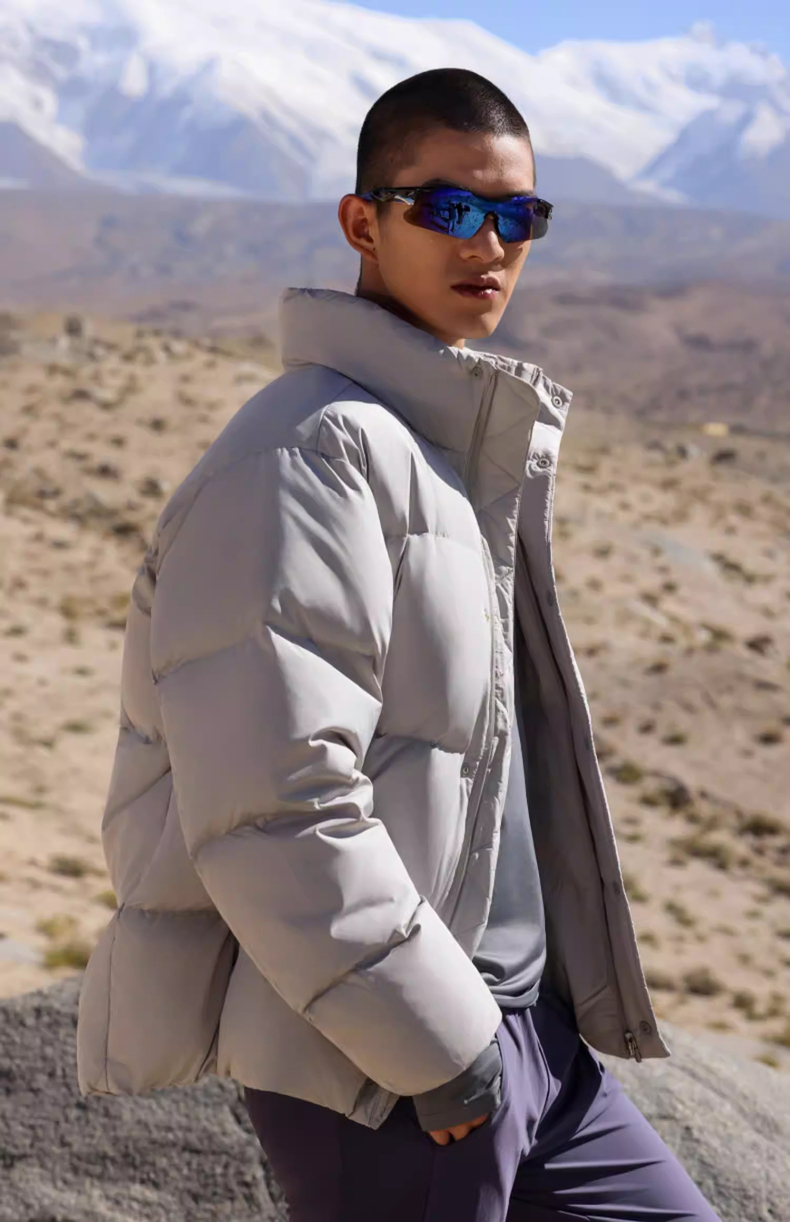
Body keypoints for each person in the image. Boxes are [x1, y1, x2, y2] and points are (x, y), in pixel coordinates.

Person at [76, 68, 722, 1222]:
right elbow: (271, 800)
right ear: (362, 222)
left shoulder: (440, 449)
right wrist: (435, 1045)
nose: (490, 243)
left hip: (528, 1037)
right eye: (449, 207)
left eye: (518, 214)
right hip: (393, 1072)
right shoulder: (307, 455)